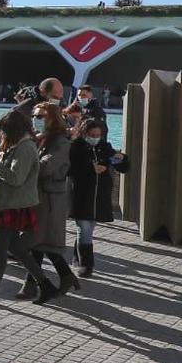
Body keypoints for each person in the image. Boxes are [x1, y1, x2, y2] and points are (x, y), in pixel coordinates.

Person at [0, 109, 57, 305]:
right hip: (13, 203)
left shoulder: (24, 148)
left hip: (13, 204)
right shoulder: (21, 145)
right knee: (16, 249)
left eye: (4, 131)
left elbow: (15, 178)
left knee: (0, 248)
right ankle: (45, 284)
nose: (2, 136)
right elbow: (9, 173)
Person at [29, 100, 81, 294]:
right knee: (40, 244)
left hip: (50, 199)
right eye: (34, 116)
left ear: (52, 119)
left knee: (38, 242)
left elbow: (45, 168)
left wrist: (25, 156)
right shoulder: (39, 138)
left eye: (40, 116)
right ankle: (64, 277)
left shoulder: (59, 141)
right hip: (39, 197)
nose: (36, 120)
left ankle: (32, 285)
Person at [68, 117, 124, 278]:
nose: (95, 137)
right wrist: (90, 168)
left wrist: (119, 160)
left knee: (88, 228)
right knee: (84, 228)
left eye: (97, 134)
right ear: (84, 133)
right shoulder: (76, 147)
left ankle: (77, 258)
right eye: (92, 134)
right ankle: (87, 264)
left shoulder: (104, 147)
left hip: (100, 195)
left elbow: (119, 164)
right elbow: (70, 169)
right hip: (82, 194)